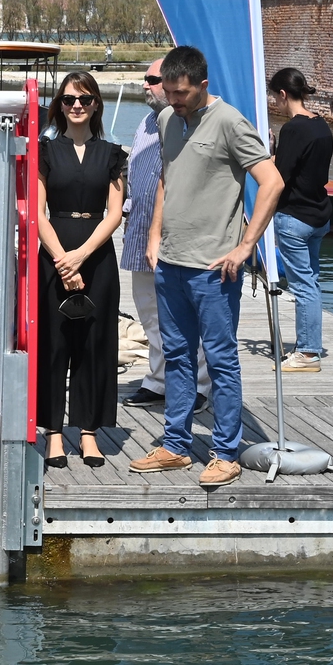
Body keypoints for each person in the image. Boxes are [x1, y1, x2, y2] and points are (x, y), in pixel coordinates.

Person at [132, 45, 284, 488]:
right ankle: (175, 447)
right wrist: (155, 236)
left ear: (202, 85)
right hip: (170, 264)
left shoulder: (231, 123)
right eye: (168, 92)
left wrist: (245, 246)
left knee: (220, 360)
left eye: (181, 94)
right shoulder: (165, 119)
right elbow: (166, 177)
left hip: (214, 268)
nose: (174, 101)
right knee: (176, 356)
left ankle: (225, 453)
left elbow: (272, 183)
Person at [36, 70, 127, 468]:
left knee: (93, 345)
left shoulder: (113, 154)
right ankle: (54, 432)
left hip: (98, 258)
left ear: (96, 105)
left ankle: (88, 431)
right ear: (59, 105)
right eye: (70, 99)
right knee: (55, 346)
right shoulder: (43, 151)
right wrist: (62, 260)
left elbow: (114, 214)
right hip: (54, 255)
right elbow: (38, 212)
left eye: (85, 99)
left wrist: (81, 256)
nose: (77, 106)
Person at [122, 57, 211, 410]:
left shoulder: (196, 124)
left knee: (188, 314)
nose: (146, 85)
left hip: (180, 238)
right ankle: (159, 379)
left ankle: (200, 385)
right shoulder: (147, 123)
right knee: (149, 313)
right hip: (140, 232)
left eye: (153, 79)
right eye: (146, 79)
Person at [267, 66, 333, 372]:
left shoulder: (293, 129)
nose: (275, 105)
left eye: (275, 98)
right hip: (320, 215)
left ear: (283, 94)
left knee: (302, 285)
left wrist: (268, 155)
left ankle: (307, 353)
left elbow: (280, 176)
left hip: (295, 217)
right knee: (312, 281)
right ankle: (310, 344)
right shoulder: (321, 126)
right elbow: (305, 169)